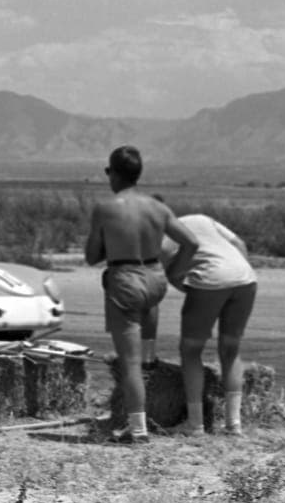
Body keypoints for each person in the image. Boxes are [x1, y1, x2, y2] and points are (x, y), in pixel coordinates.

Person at [85, 145, 198, 443]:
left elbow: (91, 256)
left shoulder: (106, 208)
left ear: (115, 174)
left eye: (109, 172)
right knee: (144, 346)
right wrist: (175, 272)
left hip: (125, 280)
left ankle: (137, 431)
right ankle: (153, 363)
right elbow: (191, 243)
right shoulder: (158, 208)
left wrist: (114, 243)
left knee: (129, 363)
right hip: (155, 279)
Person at [160, 208, 257, 437]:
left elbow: (169, 266)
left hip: (209, 281)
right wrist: (235, 272)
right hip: (245, 278)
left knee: (191, 350)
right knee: (231, 350)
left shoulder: (163, 235)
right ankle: (234, 424)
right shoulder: (203, 218)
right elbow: (240, 244)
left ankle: (195, 426)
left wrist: (185, 286)